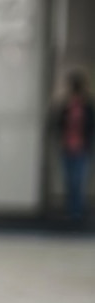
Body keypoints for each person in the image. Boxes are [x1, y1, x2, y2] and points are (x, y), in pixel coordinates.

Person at [56, 70, 94, 223]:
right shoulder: (66, 107)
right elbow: (58, 124)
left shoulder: (88, 107)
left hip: (82, 149)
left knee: (79, 181)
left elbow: (91, 127)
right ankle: (71, 211)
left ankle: (77, 212)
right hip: (67, 148)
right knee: (70, 181)